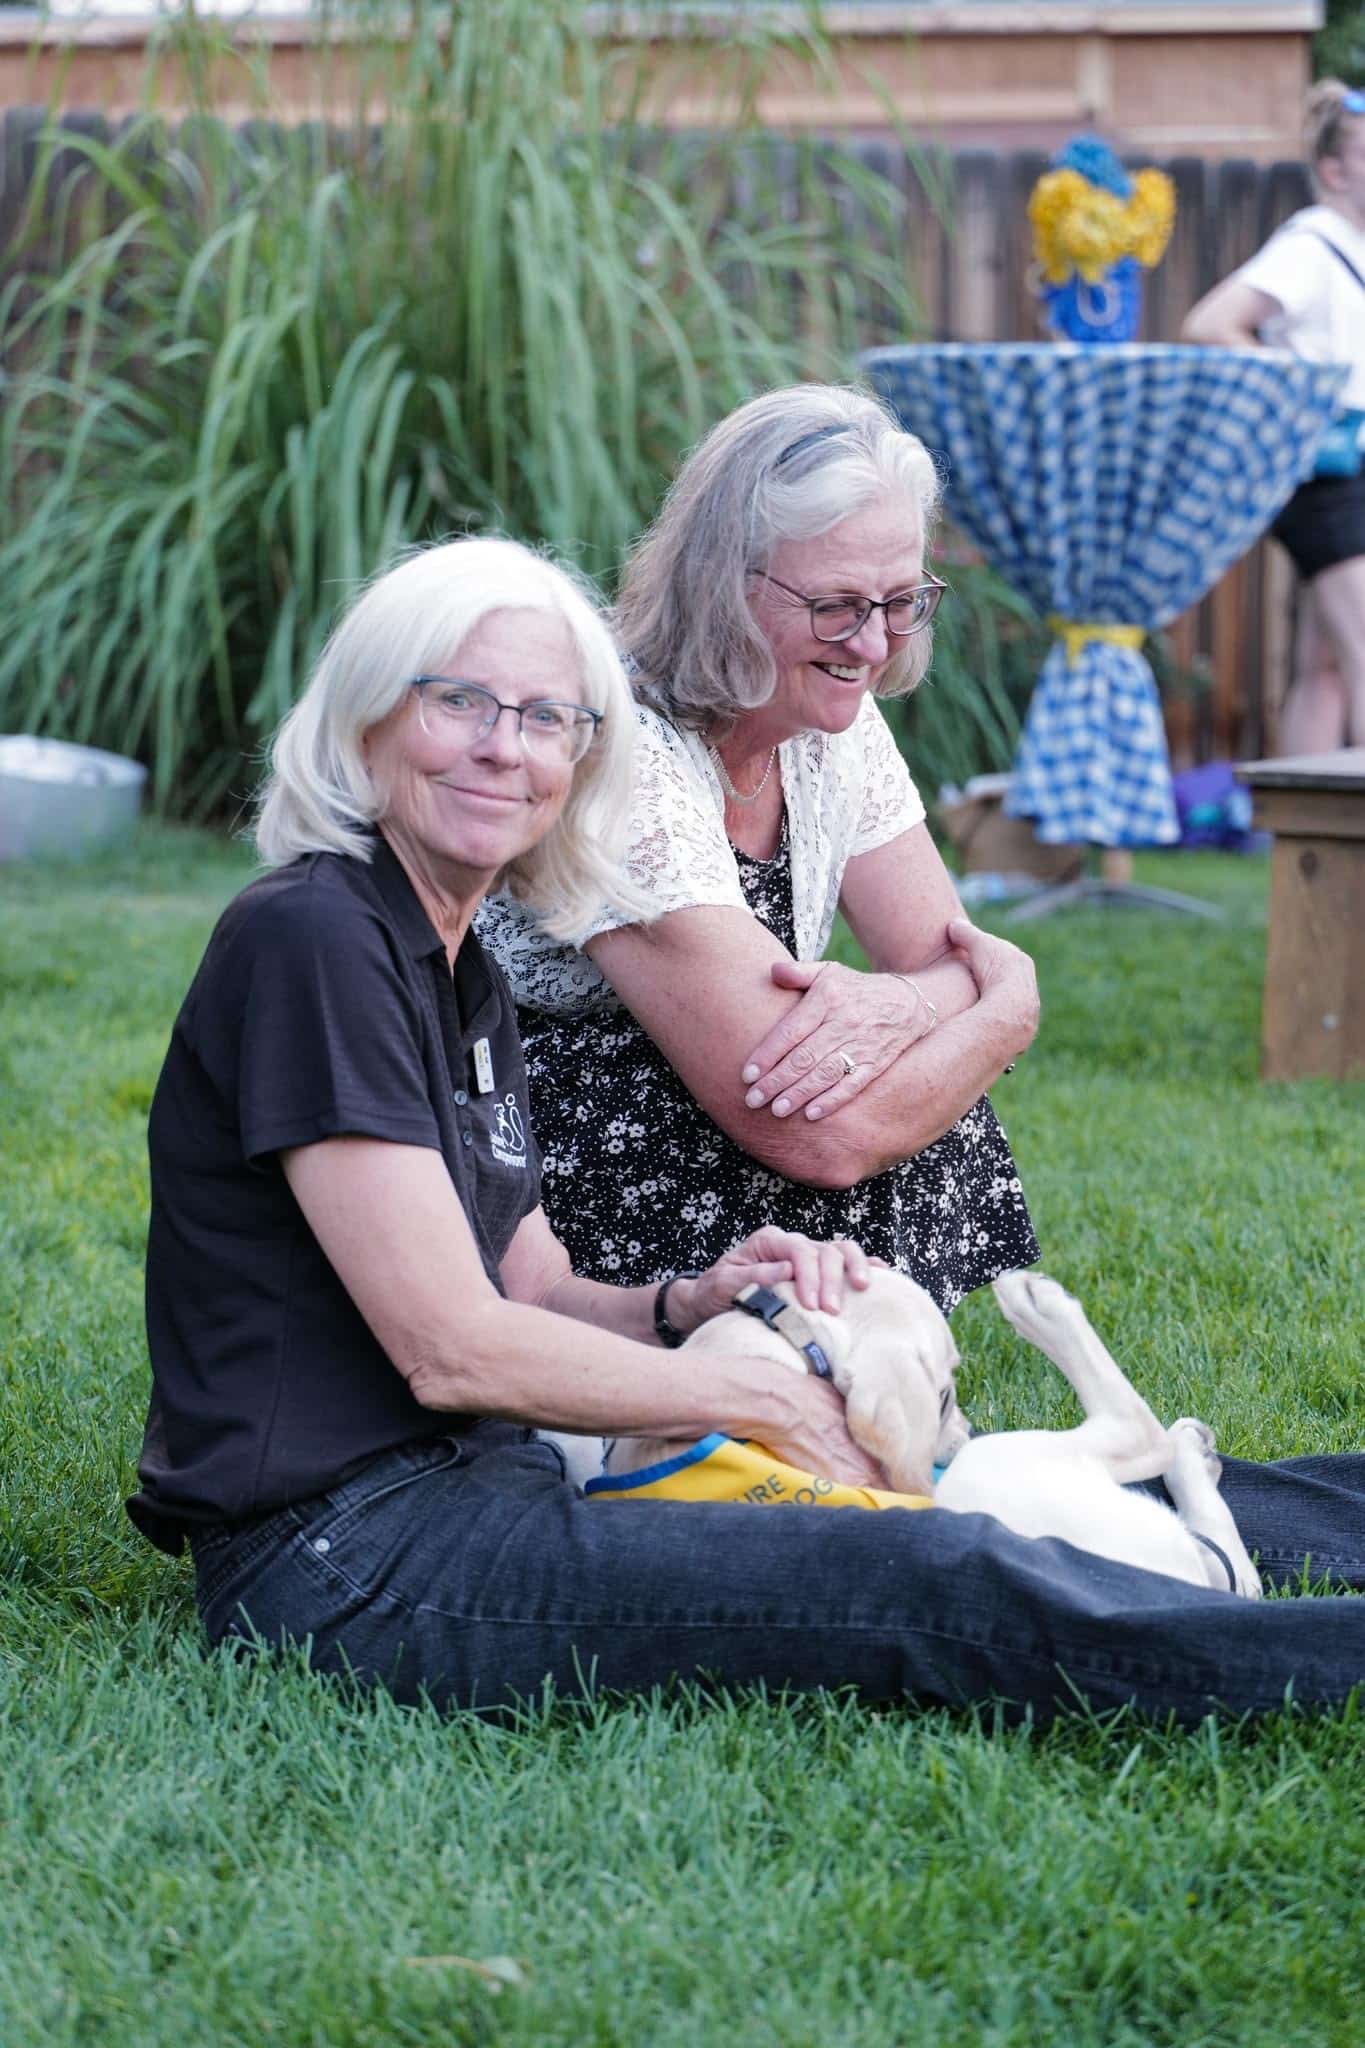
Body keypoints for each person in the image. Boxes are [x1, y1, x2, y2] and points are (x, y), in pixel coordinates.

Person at [127, 533, 1365, 1726]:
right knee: (919, 1570)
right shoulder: (314, 938)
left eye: (549, 717)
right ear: (365, 717)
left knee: (985, 1493)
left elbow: (536, 1283)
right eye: (460, 702)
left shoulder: (457, 967)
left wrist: (693, 1294)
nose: (508, 750)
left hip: (479, 1477)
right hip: (351, 1556)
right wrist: (747, 1397)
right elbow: (453, 1349)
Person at [481, 384, 1042, 1326]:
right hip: (562, 1182)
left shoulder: (829, 717)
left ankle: (847, 1376)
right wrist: (1007, 1005)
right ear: (725, 582)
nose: (871, 643)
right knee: (862, 1094)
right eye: (835, 604)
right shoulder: (615, 750)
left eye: (900, 601)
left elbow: (940, 952)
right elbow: (811, 1135)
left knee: (881, 1069)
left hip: (725, 1108)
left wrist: (906, 1000)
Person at [1181, 80, 1365, 753]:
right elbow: (1209, 324)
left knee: (1326, 667)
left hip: (1344, 473)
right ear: (1332, 170)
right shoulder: (1311, 246)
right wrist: (1303, 388)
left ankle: (1299, 843)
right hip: (1326, 475)